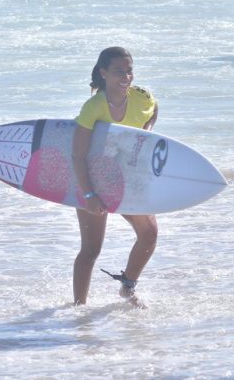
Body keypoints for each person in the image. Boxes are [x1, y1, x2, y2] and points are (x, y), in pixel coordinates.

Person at [72, 46, 159, 307]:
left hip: (125, 177)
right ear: (103, 73)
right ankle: (79, 310)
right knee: (91, 250)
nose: (126, 76)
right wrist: (89, 194)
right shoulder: (94, 107)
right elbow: (78, 155)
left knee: (149, 234)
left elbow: (154, 109)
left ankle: (127, 287)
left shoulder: (142, 97)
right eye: (118, 71)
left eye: (129, 70)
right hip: (92, 178)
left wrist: (146, 133)